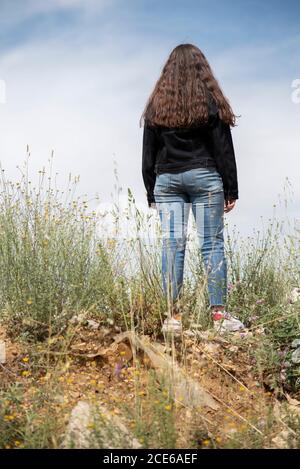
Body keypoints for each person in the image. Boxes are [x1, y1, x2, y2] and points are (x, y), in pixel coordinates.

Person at [140, 43, 245, 335]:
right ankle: (219, 318)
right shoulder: (211, 102)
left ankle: (172, 318)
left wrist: (151, 191)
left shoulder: (157, 105)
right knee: (211, 244)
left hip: (168, 182)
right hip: (205, 178)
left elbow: (148, 152)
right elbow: (223, 149)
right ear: (202, 69)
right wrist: (231, 189)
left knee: (172, 245)